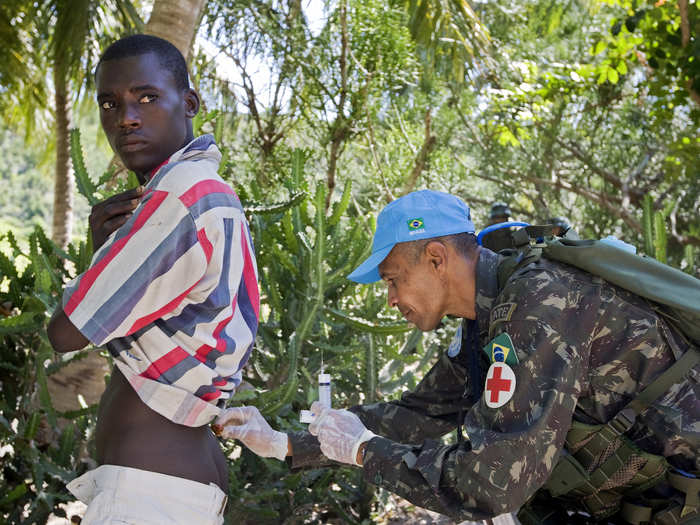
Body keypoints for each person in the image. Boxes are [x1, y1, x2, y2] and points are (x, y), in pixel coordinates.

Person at [215, 190, 698, 524]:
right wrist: (284, 442)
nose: (391, 298)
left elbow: (489, 484)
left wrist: (362, 451)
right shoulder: (485, 322)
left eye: (391, 279)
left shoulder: (539, 304)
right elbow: (418, 414)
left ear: (436, 259)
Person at [47, 34, 260, 524]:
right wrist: (109, 252)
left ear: (189, 103)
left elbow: (65, 331)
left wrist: (98, 260)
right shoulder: (206, 192)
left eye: (146, 97)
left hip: (150, 488)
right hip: (168, 479)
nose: (125, 118)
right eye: (109, 103)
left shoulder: (180, 196)